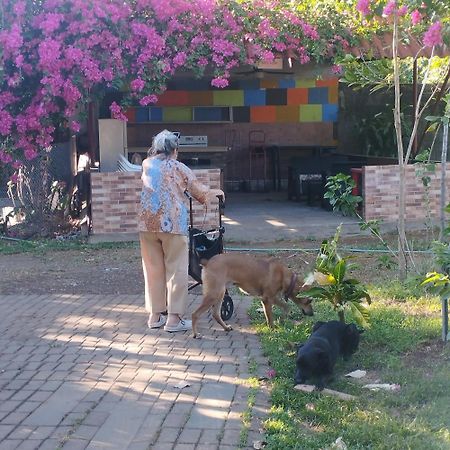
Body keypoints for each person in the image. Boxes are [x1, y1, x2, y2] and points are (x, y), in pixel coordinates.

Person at [139, 129, 225, 332]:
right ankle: (174, 320)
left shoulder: (146, 164)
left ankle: (155, 316)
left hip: (147, 223)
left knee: (153, 270)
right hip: (173, 225)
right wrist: (216, 192)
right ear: (175, 149)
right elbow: (200, 193)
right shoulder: (179, 167)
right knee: (176, 270)